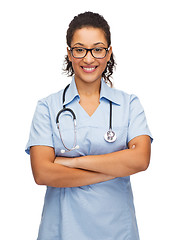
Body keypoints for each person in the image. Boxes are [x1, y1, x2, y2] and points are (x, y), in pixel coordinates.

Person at [25, 11, 153, 240]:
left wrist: (73, 163)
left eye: (97, 49)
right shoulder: (48, 107)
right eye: (80, 49)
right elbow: (43, 173)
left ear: (109, 52)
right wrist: (114, 169)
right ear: (69, 53)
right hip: (63, 231)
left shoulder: (129, 104)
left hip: (117, 232)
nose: (89, 58)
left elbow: (141, 160)